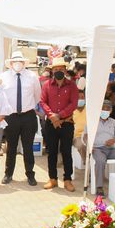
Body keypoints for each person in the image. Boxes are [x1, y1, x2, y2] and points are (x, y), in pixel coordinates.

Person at [0, 50, 42, 186]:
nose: (17, 63)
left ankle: (30, 174)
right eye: (15, 61)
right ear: (11, 63)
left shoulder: (32, 76)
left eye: (20, 61)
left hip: (28, 116)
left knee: (28, 147)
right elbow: (0, 97)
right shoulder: (3, 77)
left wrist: (27, 107)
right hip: (11, 116)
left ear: (24, 63)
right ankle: (8, 173)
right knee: (11, 146)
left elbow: (37, 96)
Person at [39, 57, 79, 191]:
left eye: (61, 69)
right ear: (52, 71)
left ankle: (67, 179)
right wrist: (52, 115)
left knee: (66, 151)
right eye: (56, 69)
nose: (58, 71)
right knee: (52, 152)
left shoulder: (72, 85)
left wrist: (59, 115)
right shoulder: (46, 85)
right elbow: (42, 102)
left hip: (67, 122)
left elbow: (73, 103)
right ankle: (53, 179)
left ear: (65, 70)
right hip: (51, 123)